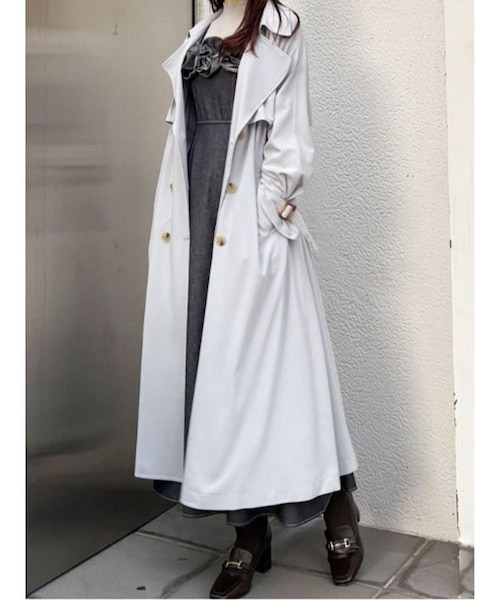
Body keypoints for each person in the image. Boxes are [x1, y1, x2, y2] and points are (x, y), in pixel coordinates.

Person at [134, 0, 364, 597]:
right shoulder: (200, 32)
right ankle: (248, 532)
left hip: (251, 226)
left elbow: (292, 139)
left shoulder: (283, 29)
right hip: (196, 213)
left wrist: (264, 217)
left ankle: (338, 508)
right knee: (216, 379)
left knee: (283, 379)